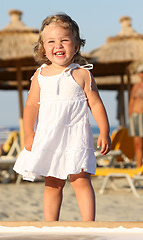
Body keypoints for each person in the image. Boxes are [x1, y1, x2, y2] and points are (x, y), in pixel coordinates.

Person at [13, 13, 111, 221]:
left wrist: (104, 131)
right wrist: (29, 133)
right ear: (43, 48)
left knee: (81, 179)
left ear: (76, 46)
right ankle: (50, 225)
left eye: (64, 40)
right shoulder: (40, 76)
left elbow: (95, 103)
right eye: (51, 41)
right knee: (53, 182)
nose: (58, 45)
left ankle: (88, 224)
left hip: (76, 135)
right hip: (50, 135)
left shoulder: (82, 74)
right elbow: (31, 105)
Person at [128, 65, 143, 168]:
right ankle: (138, 167)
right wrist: (130, 116)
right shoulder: (135, 86)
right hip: (134, 117)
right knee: (137, 144)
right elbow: (131, 101)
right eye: (140, 72)